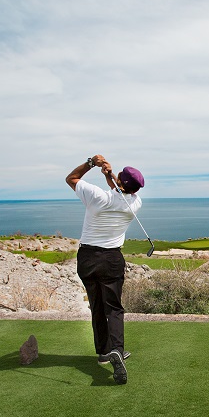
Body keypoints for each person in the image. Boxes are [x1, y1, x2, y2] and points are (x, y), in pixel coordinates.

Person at [65, 154, 145, 385]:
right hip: (112, 258)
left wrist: (91, 163)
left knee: (96, 305)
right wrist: (110, 176)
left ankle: (103, 352)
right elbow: (120, 193)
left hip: (88, 258)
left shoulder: (96, 196)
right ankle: (117, 351)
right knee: (114, 308)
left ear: (119, 180)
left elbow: (72, 178)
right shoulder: (135, 203)